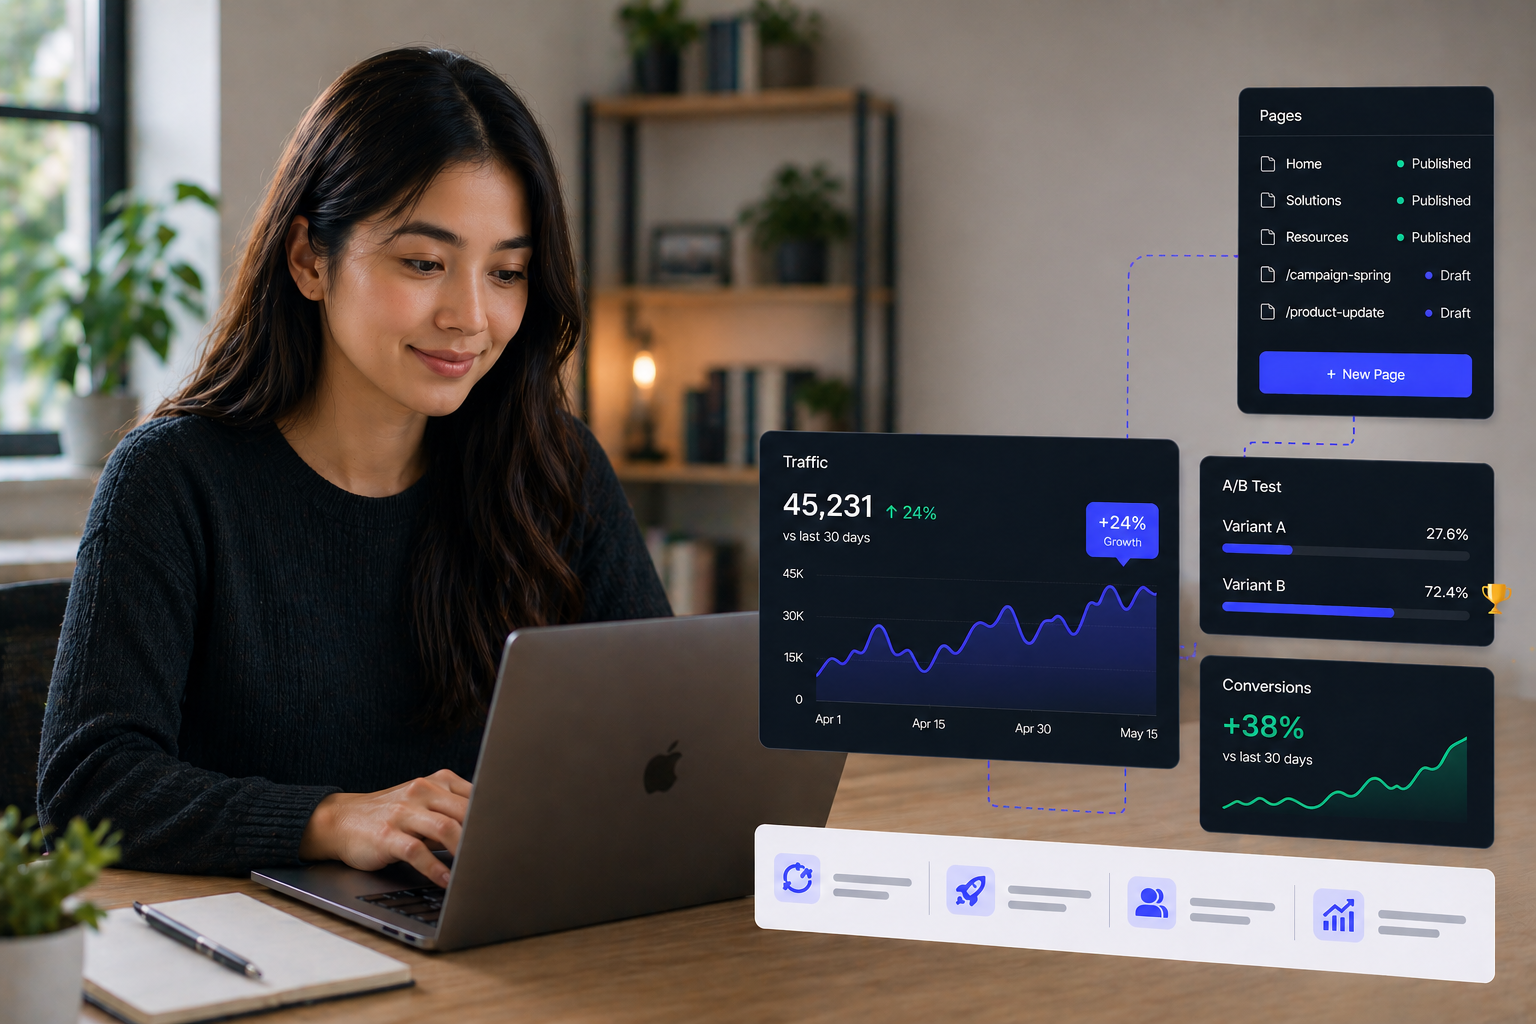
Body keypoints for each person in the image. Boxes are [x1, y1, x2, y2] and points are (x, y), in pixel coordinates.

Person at [37, 48, 670, 887]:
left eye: (507, 272)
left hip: (507, 950)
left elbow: (671, 735)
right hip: (269, 957)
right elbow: (89, 785)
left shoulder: (555, 469)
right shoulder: (171, 481)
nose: (470, 317)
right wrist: (329, 818)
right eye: (423, 262)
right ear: (309, 259)